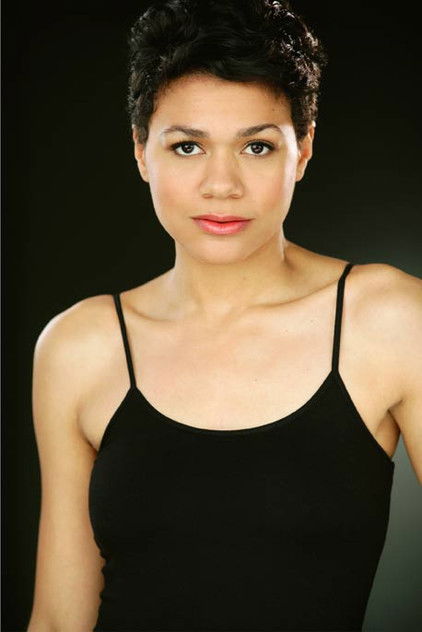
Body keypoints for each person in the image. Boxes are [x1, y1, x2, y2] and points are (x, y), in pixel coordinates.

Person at [27, 1, 422, 631]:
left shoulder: (391, 320)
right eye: (187, 146)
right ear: (141, 152)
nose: (222, 185)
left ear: (302, 150)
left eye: (257, 146)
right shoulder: (80, 344)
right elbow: (56, 619)